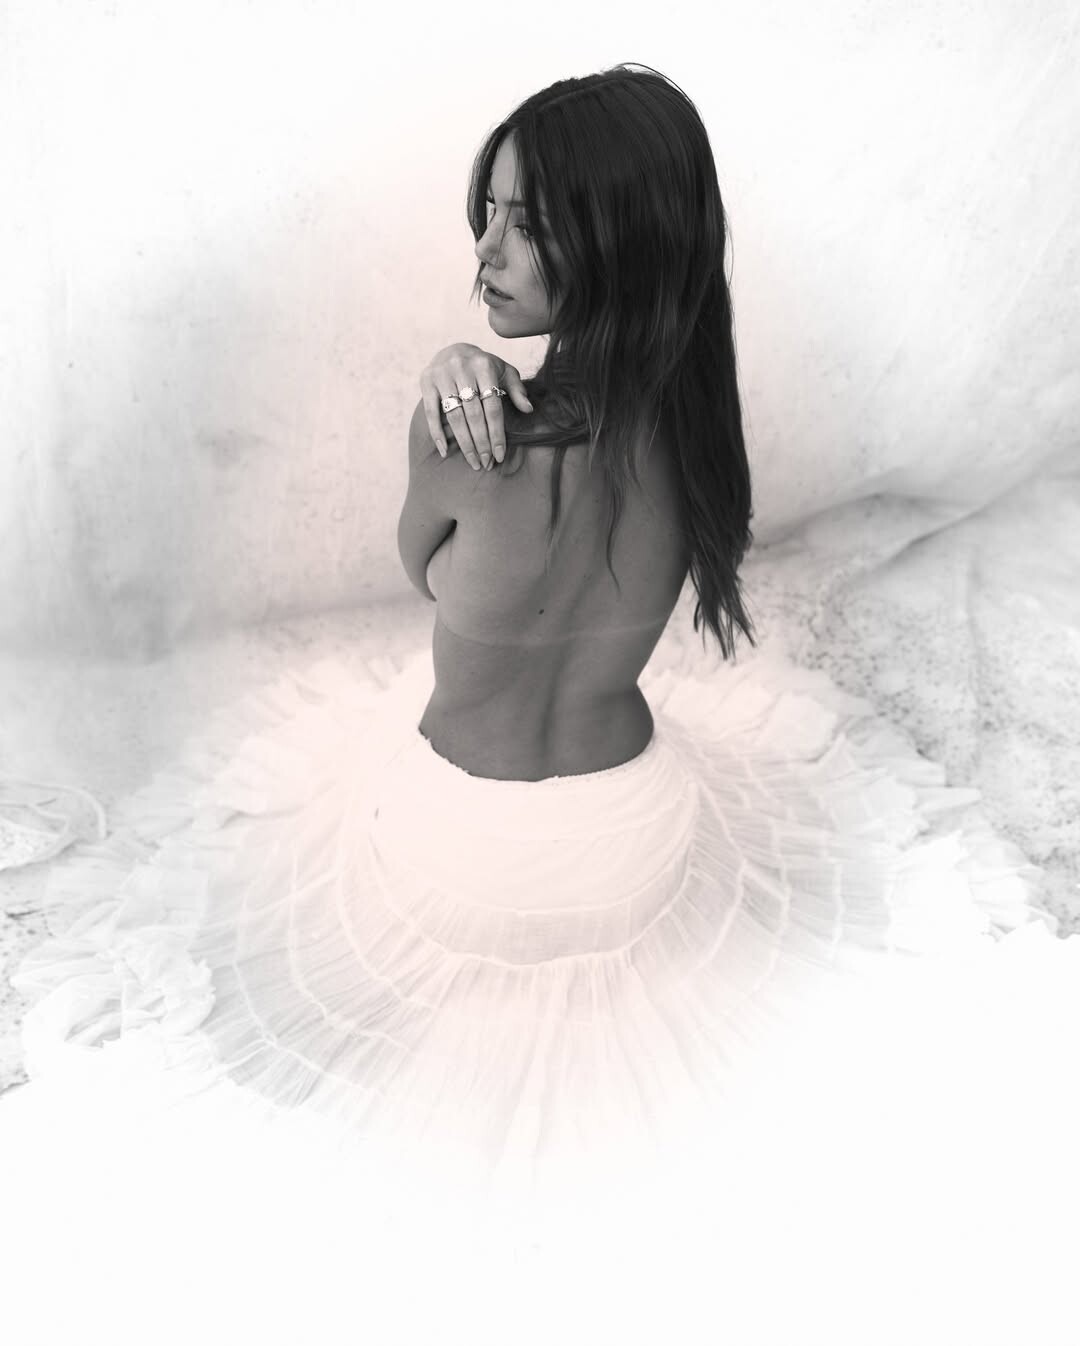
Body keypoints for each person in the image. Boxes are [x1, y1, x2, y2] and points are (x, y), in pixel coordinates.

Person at [1, 62, 1079, 1346]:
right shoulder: (700, 432)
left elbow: (420, 571)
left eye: (532, 223)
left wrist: (446, 380)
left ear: (622, 238)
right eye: (492, 214)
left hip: (462, 854)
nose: (489, 252)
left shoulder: (460, 440)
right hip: (635, 837)